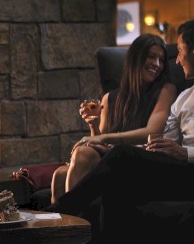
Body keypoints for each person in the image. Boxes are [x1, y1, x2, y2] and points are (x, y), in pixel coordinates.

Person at [47, 20, 194, 244]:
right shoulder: (184, 97)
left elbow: (171, 145)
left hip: (190, 168)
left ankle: (58, 214)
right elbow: (157, 139)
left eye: (180, 50)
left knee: (121, 157)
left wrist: (186, 153)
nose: (177, 59)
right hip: (175, 167)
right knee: (118, 180)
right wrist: (111, 149)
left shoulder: (170, 91)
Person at [50, 33, 177, 204]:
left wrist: (105, 137)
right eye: (151, 57)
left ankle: (75, 225)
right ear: (135, 58)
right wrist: (94, 125)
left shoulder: (166, 90)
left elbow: (153, 131)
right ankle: (64, 228)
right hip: (109, 157)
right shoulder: (109, 98)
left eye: (161, 60)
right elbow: (99, 143)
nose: (157, 64)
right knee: (59, 174)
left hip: (138, 160)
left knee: (84, 154)